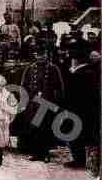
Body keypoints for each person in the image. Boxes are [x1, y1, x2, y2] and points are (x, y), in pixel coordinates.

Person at [20, 44, 64, 162]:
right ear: (35, 55)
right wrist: (24, 102)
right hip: (33, 103)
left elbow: (59, 88)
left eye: (43, 54)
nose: (41, 57)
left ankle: (45, 153)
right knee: (34, 127)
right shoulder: (29, 68)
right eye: (38, 55)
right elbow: (23, 87)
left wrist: (58, 104)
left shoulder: (53, 68)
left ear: (47, 55)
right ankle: (35, 153)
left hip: (47, 103)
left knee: (45, 128)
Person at [64, 38, 99, 169]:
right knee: (75, 134)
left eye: (71, 50)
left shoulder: (87, 72)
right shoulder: (75, 69)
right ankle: (78, 159)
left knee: (80, 135)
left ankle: (81, 161)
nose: (68, 52)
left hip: (82, 109)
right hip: (74, 108)